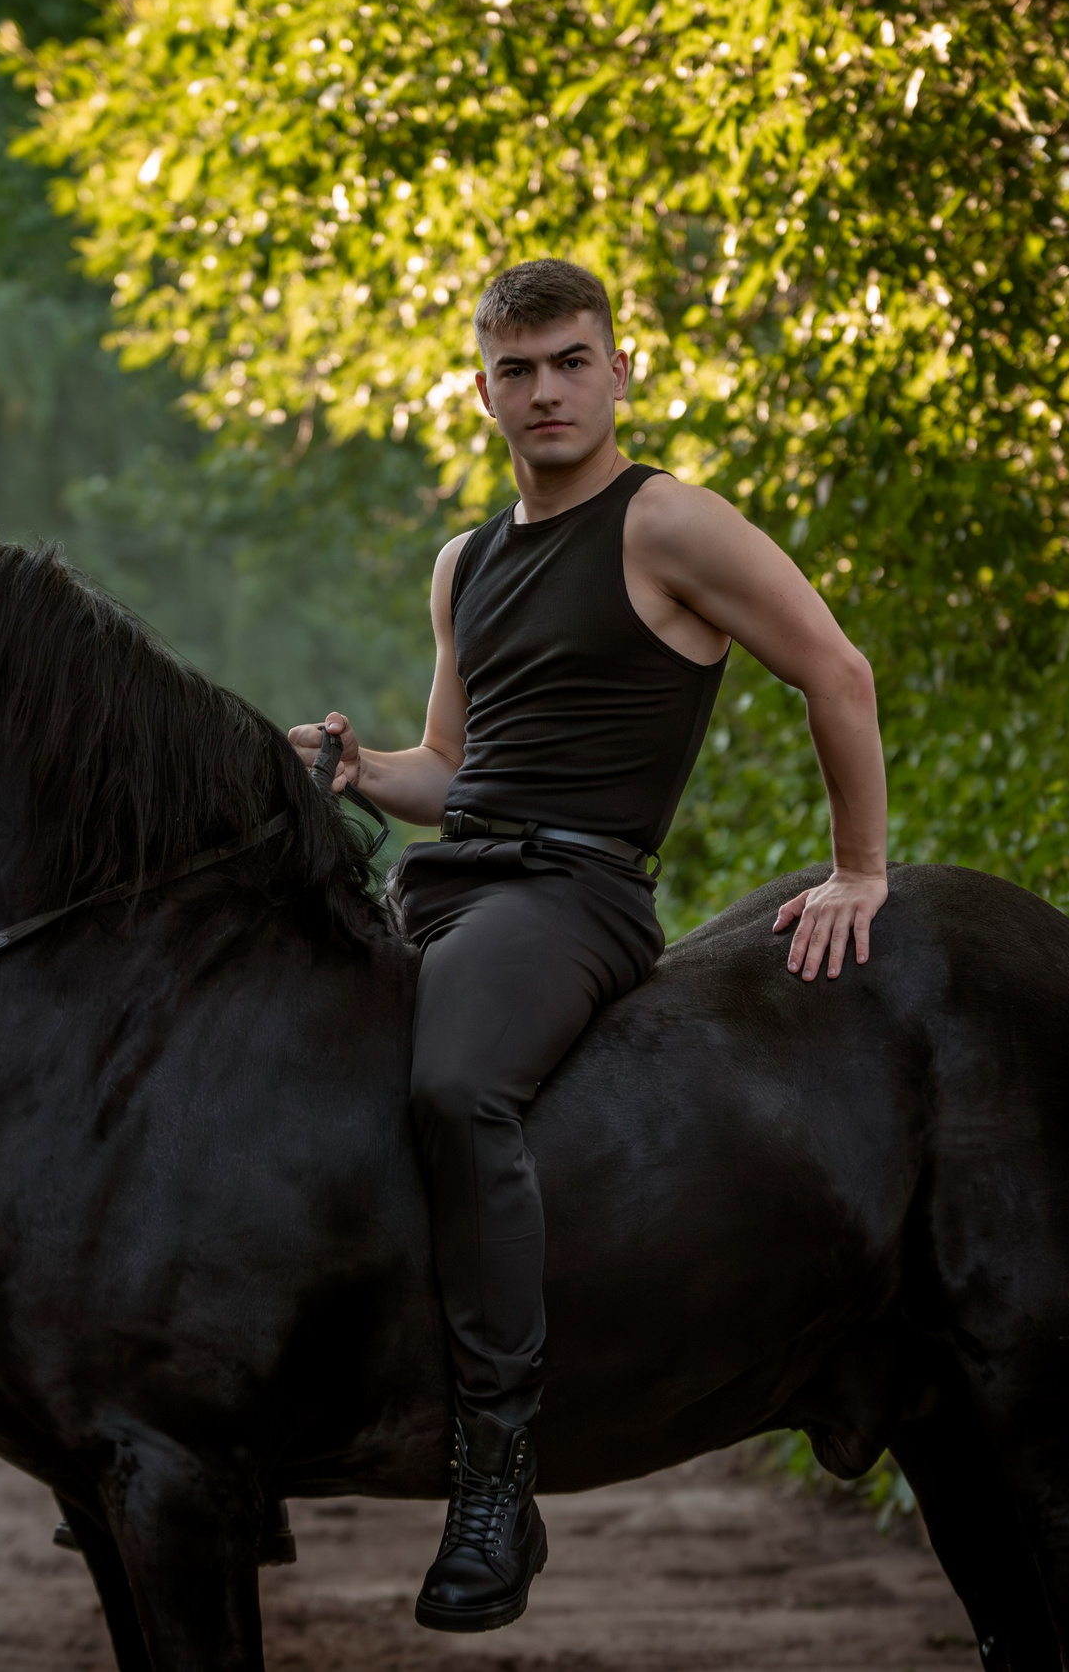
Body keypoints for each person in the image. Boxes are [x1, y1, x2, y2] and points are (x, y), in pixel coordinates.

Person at [289, 258, 888, 1632]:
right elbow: (449, 766)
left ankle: (497, 1471)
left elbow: (836, 671)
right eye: (518, 368)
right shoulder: (466, 563)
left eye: (570, 360)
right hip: (452, 881)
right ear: (481, 389)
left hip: (571, 897)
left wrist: (863, 869)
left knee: (455, 1089)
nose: (546, 389)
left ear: (623, 370)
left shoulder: (665, 522)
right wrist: (348, 763)